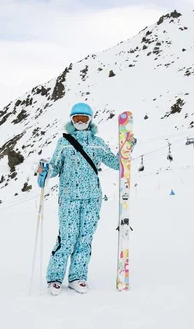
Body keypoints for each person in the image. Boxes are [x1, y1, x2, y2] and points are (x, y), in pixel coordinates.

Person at [36, 102, 132, 296]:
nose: (80, 122)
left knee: (85, 238)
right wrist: (45, 172)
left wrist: (126, 148)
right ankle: (55, 278)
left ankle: (77, 277)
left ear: (90, 121)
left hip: (92, 199)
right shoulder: (64, 143)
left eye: (84, 119)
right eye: (76, 119)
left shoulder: (97, 143)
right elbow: (55, 166)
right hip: (69, 198)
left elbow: (115, 163)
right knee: (68, 237)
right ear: (71, 121)